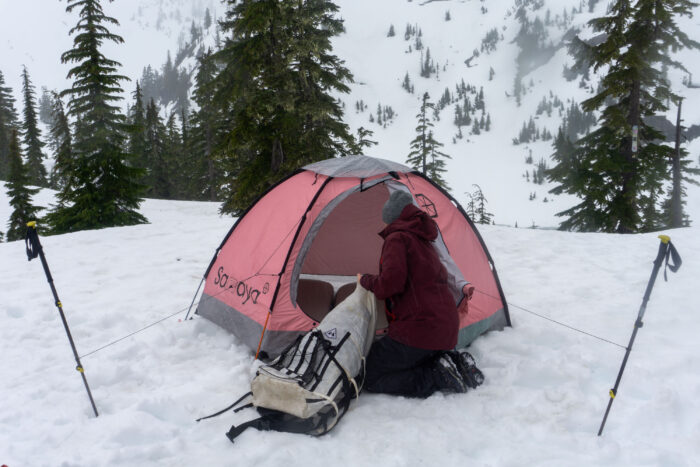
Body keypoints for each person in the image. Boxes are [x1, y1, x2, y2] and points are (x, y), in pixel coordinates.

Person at [359, 190, 483, 398]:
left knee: (370, 374)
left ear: (392, 215)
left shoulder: (397, 238)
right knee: (415, 355)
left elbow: (389, 285)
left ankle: (435, 376)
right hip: (446, 329)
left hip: (420, 330)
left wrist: (366, 280)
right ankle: (453, 363)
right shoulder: (424, 240)